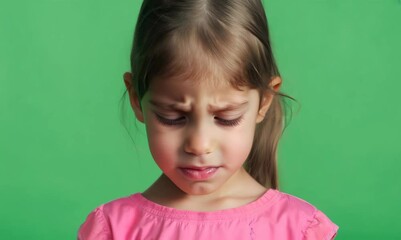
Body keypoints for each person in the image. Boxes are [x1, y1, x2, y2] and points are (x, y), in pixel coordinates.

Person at [77, 0, 339, 239]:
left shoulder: (299, 229)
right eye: (173, 117)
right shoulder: (113, 229)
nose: (200, 145)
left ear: (264, 102)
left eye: (227, 118)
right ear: (136, 98)